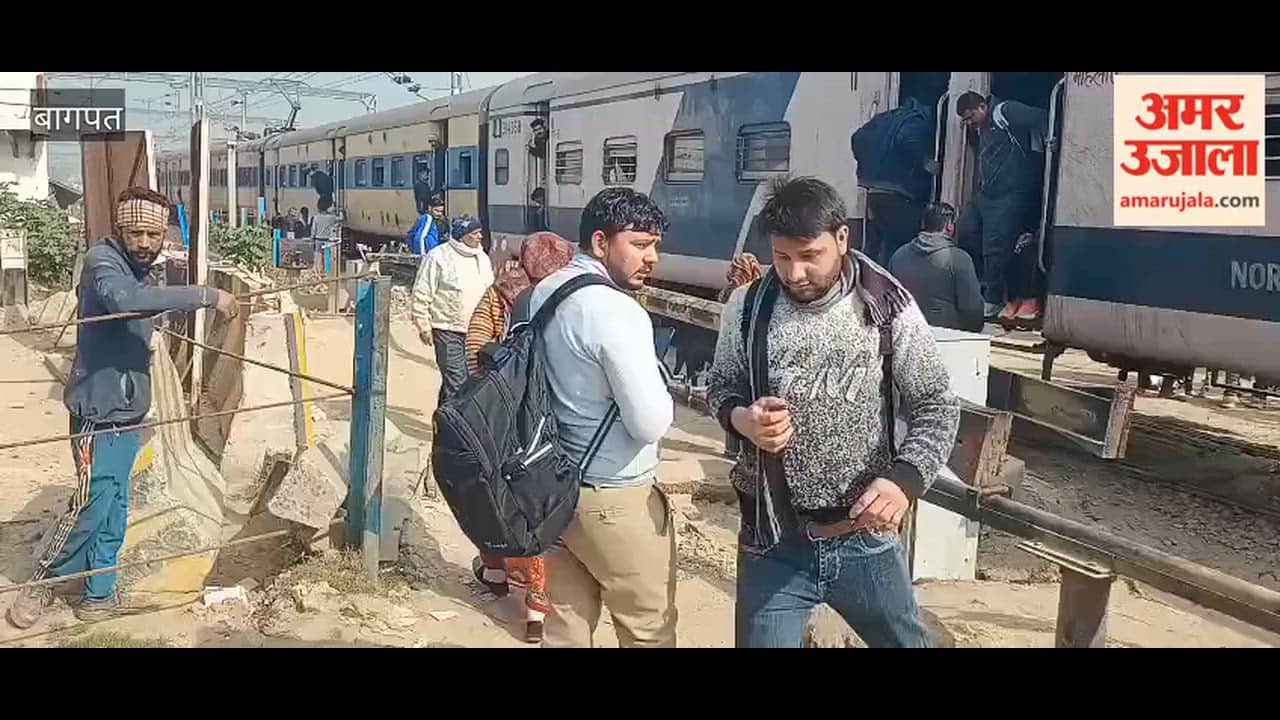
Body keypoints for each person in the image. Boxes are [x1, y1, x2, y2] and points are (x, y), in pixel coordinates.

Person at [707, 176, 960, 648]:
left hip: (865, 539)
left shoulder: (888, 306)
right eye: (782, 257)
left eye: (810, 256)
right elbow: (721, 388)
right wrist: (743, 419)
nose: (794, 273)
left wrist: (903, 480)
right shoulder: (746, 308)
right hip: (772, 542)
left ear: (842, 238)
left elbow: (937, 403)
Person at [7, 187, 239, 629]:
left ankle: (99, 594)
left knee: (115, 507)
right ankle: (42, 583)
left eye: (155, 233)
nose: (147, 243)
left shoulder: (138, 269)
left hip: (129, 412)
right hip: (98, 413)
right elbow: (124, 304)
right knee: (91, 505)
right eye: (137, 232)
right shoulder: (103, 264)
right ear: (120, 228)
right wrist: (206, 295)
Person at [529, 187, 676, 648]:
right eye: (638, 244)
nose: (651, 257)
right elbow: (650, 422)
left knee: (565, 630)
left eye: (654, 244)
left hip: (551, 489)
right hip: (614, 495)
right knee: (647, 629)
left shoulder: (544, 292)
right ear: (599, 242)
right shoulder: (617, 311)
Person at [463, 231, 575, 644]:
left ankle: (495, 573)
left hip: (503, 420)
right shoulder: (570, 298)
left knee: (492, 497)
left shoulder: (501, 293)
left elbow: (475, 348)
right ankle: (536, 610)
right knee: (541, 511)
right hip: (551, 426)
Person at [953, 90, 1049, 323]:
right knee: (965, 229)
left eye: (969, 117)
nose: (967, 124)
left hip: (1010, 193)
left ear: (981, 108)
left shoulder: (1005, 112)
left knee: (994, 245)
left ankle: (994, 297)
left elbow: (1043, 117)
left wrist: (1042, 148)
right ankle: (991, 287)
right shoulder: (981, 128)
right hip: (987, 194)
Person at [411, 214, 493, 409]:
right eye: (475, 233)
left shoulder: (482, 258)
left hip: (477, 332)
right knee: (458, 383)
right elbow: (422, 292)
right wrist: (423, 325)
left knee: (470, 382)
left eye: (480, 232)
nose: (480, 237)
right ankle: (455, 430)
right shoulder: (438, 256)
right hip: (447, 331)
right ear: (462, 235)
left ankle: (443, 422)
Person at [851, 97, 938, 267]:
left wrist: (867, 166)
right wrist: (925, 163)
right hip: (900, 192)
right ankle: (891, 285)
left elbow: (857, 137)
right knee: (900, 246)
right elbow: (907, 140)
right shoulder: (916, 120)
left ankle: (869, 281)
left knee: (876, 244)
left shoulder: (884, 118)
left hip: (873, 190)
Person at [888, 201, 984, 332]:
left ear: (923, 224)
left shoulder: (898, 256)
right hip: (946, 337)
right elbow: (973, 311)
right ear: (949, 226)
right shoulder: (959, 259)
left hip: (906, 332)